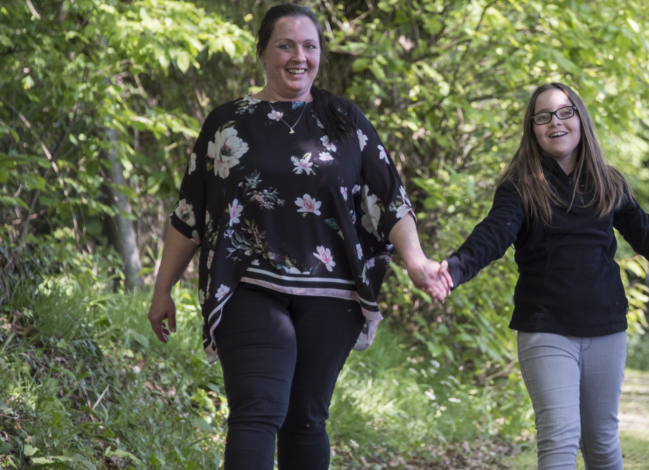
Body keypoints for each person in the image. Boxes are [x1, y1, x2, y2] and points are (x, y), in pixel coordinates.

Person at [144, 5, 448, 468]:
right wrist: (162, 288)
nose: (299, 57)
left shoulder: (345, 120)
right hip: (249, 284)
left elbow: (390, 199)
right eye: (285, 45)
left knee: (306, 418)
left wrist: (416, 260)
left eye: (310, 46)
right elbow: (191, 211)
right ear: (262, 53)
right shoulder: (227, 123)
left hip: (331, 293)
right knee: (257, 411)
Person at [436, 83, 649, 470]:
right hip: (547, 329)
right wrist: (455, 269)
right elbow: (494, 234)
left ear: (580, 118)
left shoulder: (608, 183)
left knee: (601, 444)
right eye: (543, 116)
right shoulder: (521, 186)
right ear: (532, 129)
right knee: (560, 437)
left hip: (606, 329)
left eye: (565, 112)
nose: (555, 122)